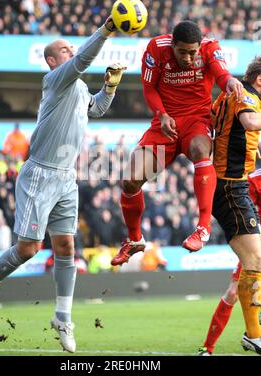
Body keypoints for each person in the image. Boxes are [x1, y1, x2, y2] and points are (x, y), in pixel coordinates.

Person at [0, 16, 126, 354]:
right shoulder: (55, 80)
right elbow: (83, 59)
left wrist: (111, 88)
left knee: (66, 248)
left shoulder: (80, 87)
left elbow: (97, 109)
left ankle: (62, 317)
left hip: (66, 176)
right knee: (28, 249)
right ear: (53, 61)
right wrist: (106, 29)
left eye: (71, 47)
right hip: (39, 174)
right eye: (65, 49)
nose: (71, 50)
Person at [111, 20, 243, 266]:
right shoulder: (156, 48)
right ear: (172, 45)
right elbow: (149, 89)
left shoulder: (210, 47)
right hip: (165, 123)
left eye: (193, 52)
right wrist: (162, 115)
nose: (189, 58)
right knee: (130, 180)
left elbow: (222, 75)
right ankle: (134, 240)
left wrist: (231, 82)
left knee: (200, 150)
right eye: (182, 52)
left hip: (197, 120)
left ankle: (203, 227)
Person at [200, 56, 261, 355]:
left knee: (254, 265)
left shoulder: (226, 95)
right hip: (231, 186)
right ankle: (254, 335)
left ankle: (252, 334)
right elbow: (250, 121)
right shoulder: (246, 96)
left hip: (226, 184)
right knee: (256, 262)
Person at [198, 168, 261, 356]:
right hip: (255, 246)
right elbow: (242, 208)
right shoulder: (255, 180)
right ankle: (207, 348)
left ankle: (254, 334)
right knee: (233, 291)